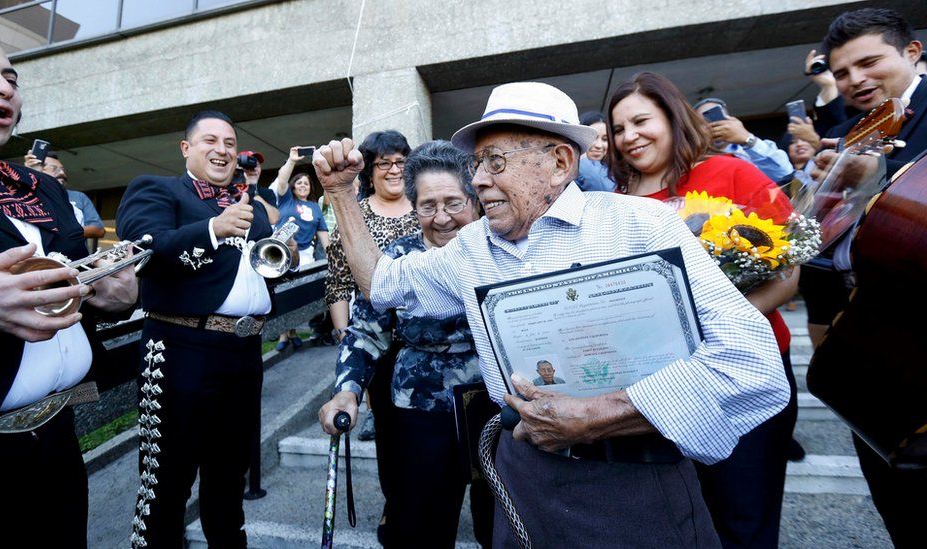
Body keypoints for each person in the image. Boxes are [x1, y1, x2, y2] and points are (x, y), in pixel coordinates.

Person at [316, 81, 789, 548]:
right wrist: (340, 192)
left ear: (560, 162)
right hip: (522, 479)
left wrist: (597, 415)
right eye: (477, 164)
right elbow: (380, 283)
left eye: (495, 161)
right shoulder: (473, 247)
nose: (477, 180)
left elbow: (753, 364)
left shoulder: (640, 225)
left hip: (636, 485)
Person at [0, 11, 137, 547]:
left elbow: (77, 284)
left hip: (58, 440)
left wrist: (113, 294)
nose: (3, 86)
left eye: (10, 76)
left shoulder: (40, 187)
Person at [610, 71, 800, 549]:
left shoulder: (732, 173)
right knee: (680, 519)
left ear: (673, 118)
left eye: (641, 121)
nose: (629, 136)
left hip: (744, 371)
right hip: (662, 386)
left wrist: (720, 330)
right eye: (618, 129)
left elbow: (789, 272)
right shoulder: (613, 205)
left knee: (744, 517)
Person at [116, 110, 296, 548]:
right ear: (186, 148)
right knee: (166, 479)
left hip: (243, 352)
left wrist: (286, 257)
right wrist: (213, 228)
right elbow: (142, 245)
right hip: (180, 349)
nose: (222, 150)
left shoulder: (252, 207)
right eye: (210, 141)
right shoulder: (157, 188)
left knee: (230, 475)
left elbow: (258, 270)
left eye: (230, 143)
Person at [319, 140, 492, 548]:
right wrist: (347, 391)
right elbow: (365, 332)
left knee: (499, 522)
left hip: (493, 405)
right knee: (420, 525)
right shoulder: (397, 257)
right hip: (420, 408)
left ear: (475, 200)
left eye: (454, 203)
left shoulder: (497, 248)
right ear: (414, 208)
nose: (442, 218)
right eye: (428, 206)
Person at [807, 9, 927, 547]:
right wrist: (823, 196)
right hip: (863, 339)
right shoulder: (843, 134)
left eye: (869, 62)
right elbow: (819, 239)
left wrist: (882, 177)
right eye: (842, 73)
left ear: (912, 53)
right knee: (898, 501)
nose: (856, 80)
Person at [324, 130, 420, 446]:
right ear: (369, 171)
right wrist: (344, 335)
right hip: (377, 340)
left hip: (424, 340)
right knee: (391, 432)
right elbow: (338, 282)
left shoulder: (426, 208)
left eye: (400, 162)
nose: (394, 170)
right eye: (384, 163)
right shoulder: (355, 216)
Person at [270, 147, 330, 350]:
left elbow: (323, 234)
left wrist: (332, 257)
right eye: (299, 182)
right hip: (280, 253)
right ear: (293, 186)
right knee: (281, 292)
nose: (303, 185)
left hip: (304, 255)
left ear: (310, 187)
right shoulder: (286, 199)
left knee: (296, 295)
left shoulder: (315, 208)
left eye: (306, 183)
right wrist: (292, 160)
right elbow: (281, 180)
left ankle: (293, 332)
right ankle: (283, 336)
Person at [692, 97, 794, 183]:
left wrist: (747, 140)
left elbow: (784, 173)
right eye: (704, 122)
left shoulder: (755, 148)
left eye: (718, 117)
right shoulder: (695, 163)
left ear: (731, 119)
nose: (714, 125)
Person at [24, 150, 106, 240]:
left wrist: (68, 231)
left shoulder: (78, 197)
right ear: (39, 169)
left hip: (74, 249)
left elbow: (99, 230)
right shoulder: (26, 194)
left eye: (62, 169)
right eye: (54, 168)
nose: (62, 173)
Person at [574, 111, 615, 192]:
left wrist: (582, 161)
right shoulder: (565, 169)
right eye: (593, 138)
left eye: (605, 139)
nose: (599, 145)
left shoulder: (616, 171)